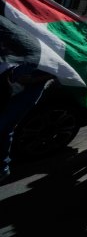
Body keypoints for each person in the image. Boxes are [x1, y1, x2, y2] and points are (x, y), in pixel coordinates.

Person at [0, 52, 53, 183]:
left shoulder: (46, 47)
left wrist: (33, 80)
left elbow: (58, 71)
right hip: (6, 82)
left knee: (4, 126)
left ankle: (2, 168)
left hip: (25, 92)